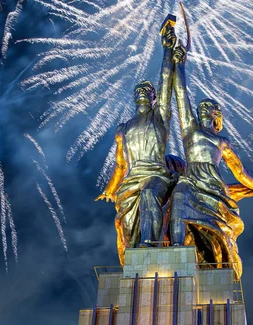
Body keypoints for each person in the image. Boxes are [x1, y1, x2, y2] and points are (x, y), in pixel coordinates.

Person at [169, 44, 253, 278]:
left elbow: (240, 173)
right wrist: (179, 64)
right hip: (191, 179)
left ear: (217, 115)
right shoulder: (190, 130)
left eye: (208, 107)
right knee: (178, 197)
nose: (202, 108)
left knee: (215, 232)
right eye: (201, 107)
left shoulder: (222, 142)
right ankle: (177, 250)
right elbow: (181, 95)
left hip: (214, 186)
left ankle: (213, 259)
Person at [96, 20, 180, 265]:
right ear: (134, 97)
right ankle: (137, 259)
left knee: (149, 195)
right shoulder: (122, 129)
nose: (143, 91)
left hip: (156, 176)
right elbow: (121, 165)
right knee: (128, 226)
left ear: (154, 98)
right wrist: (110, 189)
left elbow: (166, 81)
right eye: (139, 90)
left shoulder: (160, 117)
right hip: (130, 182)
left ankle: (150, 248)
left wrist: (167, 50)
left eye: (148, 90)